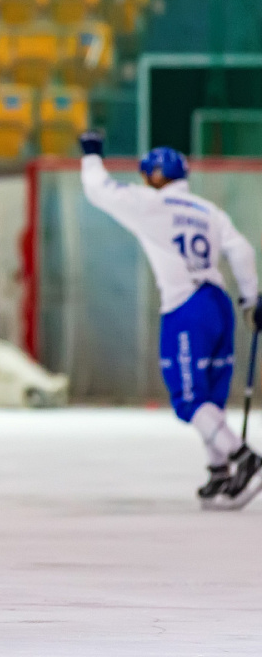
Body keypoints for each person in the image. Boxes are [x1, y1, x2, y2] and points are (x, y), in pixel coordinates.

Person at [79, 131, 262, 510]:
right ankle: (218, 472)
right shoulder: (208, 211)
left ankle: (244, 458)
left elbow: (100, 191)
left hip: (185, 307)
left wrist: (93, 155)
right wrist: (251, 298)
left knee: (188, 399)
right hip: (218, 302)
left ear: (156, 176)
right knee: (209, 396)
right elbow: (241, 250)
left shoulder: (150, 203)